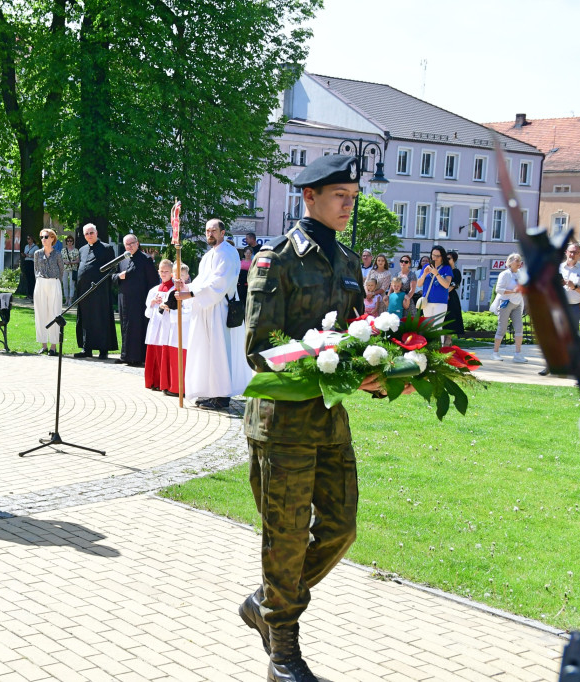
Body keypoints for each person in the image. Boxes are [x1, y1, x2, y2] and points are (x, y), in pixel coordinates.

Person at [240, 155, 377, 682]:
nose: (349, 204)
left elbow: (357, 335)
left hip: (328, 421)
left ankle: (264, 602)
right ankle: (284, 653)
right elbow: (260, 346)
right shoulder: (275, 260)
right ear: (309, 197)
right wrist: (323, 364)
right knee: (287, 536)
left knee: (341, 530)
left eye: (353, 196)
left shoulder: (348, 261)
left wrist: (377, 368)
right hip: (281, 424)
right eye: (339, 195)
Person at [173, 219, 252, 410]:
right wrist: (186, 286)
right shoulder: (209, 255)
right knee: (208, 351)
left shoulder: (228, 253)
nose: (210, 234)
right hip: (206, 309)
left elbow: (220, 282)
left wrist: (190, 294)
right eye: (207, 231)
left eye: (214, 230)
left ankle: (222, 395)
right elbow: (202, 281)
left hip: (220, 309)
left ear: (223, 232)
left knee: (219, 351)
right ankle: (212, 391)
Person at [541, 241, 580, 375]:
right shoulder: (557, 268)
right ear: (566, 253)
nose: (573, 254)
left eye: (576, 252)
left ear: (579, 255)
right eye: (571, 251)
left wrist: (574, 286)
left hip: (575, 307)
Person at [112, 234, 160, 367]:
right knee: (125, 327)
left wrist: (151, 299)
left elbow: (153, 282)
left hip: (139, 300)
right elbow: (113, 277)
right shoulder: (122, 259)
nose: (129, 246)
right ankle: (125, 355)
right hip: (124, 299)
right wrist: (118, 277)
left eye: (132, 243)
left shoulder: (145, 259)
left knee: (137, 327)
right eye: (127, 244)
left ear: (137, 243)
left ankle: (137, 357)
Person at [73, 223, 119, 359]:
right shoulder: (82, 249)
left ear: (96, 232)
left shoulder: (107, 248)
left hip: (100, 291)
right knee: (85, 319)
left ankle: (103, 349)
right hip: (84, 291)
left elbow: (112, 269)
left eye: (91, 233)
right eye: (86, 233)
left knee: (101, 318)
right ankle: (86, 348)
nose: (89, 235)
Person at [490, 252, 528, 363]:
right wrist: (513, 291)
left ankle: (518, 354)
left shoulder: (521, 273)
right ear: (510, 262)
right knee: (502, 328)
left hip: (517, 303)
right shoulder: (504, 274)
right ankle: (495, 353)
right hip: (505, 302)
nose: (519, 262)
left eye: (520, 260)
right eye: (516, 260)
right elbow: (499, 290)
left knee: (519, 327)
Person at [162, 264, 193, 396]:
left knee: (183, 361)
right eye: (176, 275)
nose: (179, 279)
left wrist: (173, 313)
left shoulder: (190, 292)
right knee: (173, 362)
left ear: (187, 276)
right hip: (172, 331)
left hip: (185, 332)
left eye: (182, 275)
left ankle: (181, 389)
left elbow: (189, 313)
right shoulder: (171, 291)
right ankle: (172, 386)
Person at [144, 259, 175, 389]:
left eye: (166, 271)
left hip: (167, 325)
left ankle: (163, 382)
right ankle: (152, 381)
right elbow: (147, 313)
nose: (163, 274)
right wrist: (152, 303)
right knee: (153, 353)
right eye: (161, 271)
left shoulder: (175, 290)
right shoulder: (154, 290)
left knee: (163, 352)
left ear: (172, 273)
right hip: (155, 324)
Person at [33, 228, 63, 356]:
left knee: (54, 312)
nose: (43, 240)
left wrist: (54, 281)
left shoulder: (57, 254)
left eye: (45, 237)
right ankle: (43, 344)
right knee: (40, 312)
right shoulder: (37, 253)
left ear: (52, 238)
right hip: (40, 282)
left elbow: (61, 270)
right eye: (41, 237)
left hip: (53, 282)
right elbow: (36, 269)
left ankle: (53, 346)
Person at [416, 245, 452, 322]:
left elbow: (446, 285)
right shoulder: (426, 266)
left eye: (437, 256)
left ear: (442, 256)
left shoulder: (447, 268)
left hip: (440, 301)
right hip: (427, 301)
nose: (434, 258)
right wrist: (424, 274)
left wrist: (437, 274)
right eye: (433, 255)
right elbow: (419, 284)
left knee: (437, 327)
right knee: (428, 327)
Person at [443, 251, 465, 346]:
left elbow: (452, 286)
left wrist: (443, 292)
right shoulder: (442, 270)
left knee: (450, 319)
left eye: (449, 258)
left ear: (454, 260)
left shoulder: (456, 272)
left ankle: (448, 342)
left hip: (451, 299)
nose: (447, 260)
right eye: (446, 258)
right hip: (441, 298)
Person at [396, 254, 418, 319]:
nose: (403, 263)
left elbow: (412, 290)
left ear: (409, 264)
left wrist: (406, 300)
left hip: (407, 301)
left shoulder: (412, 275)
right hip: (397, 300)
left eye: (406, 262)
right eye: (402, 261)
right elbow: (391, 288)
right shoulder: (396, 274)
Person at [61, 236, 80, 306]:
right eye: (68, 241)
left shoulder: (76, 250)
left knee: (72, 285)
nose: (69, 242)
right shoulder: (63, 250)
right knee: (65, 284)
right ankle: (66, 300)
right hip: (64, 269)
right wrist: (64, 261)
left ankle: (70, 300)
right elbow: (60, 259)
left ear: (73, 242)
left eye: (71, 241)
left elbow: (78, 260)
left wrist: (71, 262)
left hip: (72, 269)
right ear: (66, 242)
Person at [18, 233, 37, 299]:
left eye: (29, 238)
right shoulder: (26, 246)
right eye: (27, 239)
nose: (28, 240)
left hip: (31, 262)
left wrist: (28, 255)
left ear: (32, 239)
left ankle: (32, 294)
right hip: (26, 262)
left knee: (32, 279)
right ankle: (28, 294)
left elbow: (36, 256)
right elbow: (25, 253)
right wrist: (24, 255)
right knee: (28, 279)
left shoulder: (35, 247)